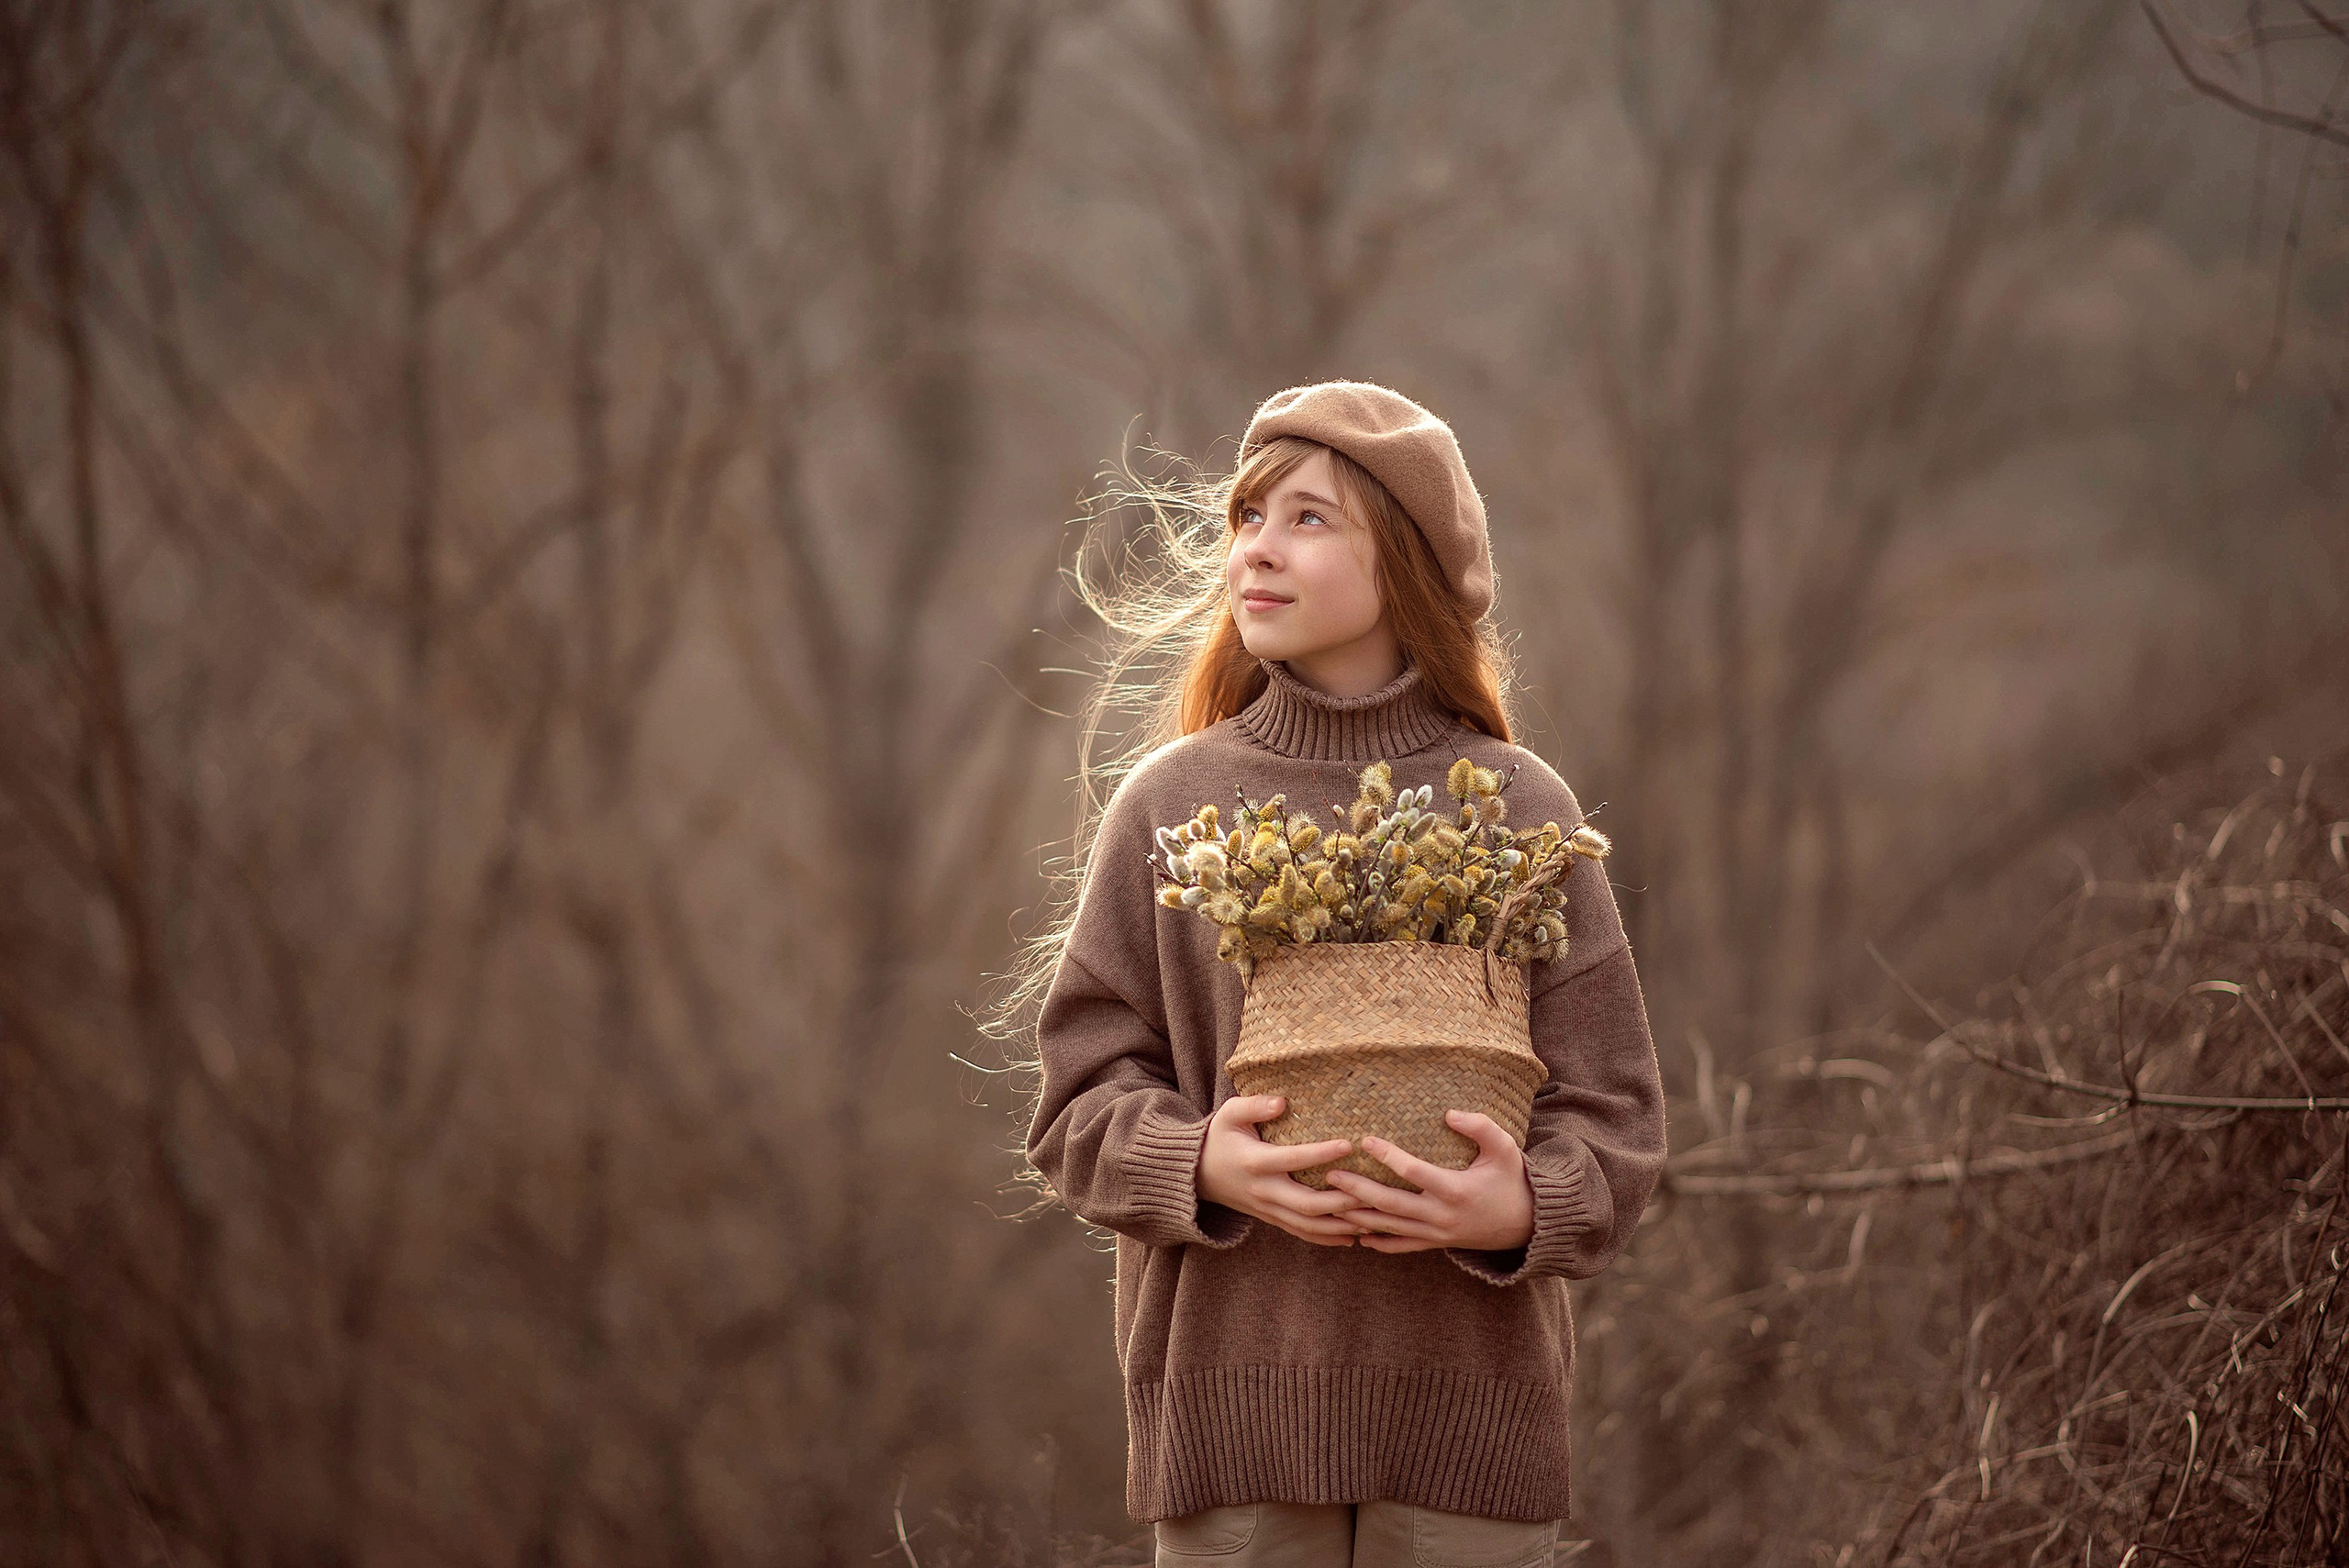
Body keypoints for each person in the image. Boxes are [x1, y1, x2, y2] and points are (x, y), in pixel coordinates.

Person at [1016, 380, 1667, 1567]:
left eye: (1307, 519)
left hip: (1473, 1425)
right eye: (1246, 517)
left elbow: (1617, 1119)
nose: (1255, 550)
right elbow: (1074, 1104)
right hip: (1237, 1429)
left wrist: (1519, 1206)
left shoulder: (1524, 812)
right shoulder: (1168, 805)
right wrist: (1201, 1159)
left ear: (1404, 567)